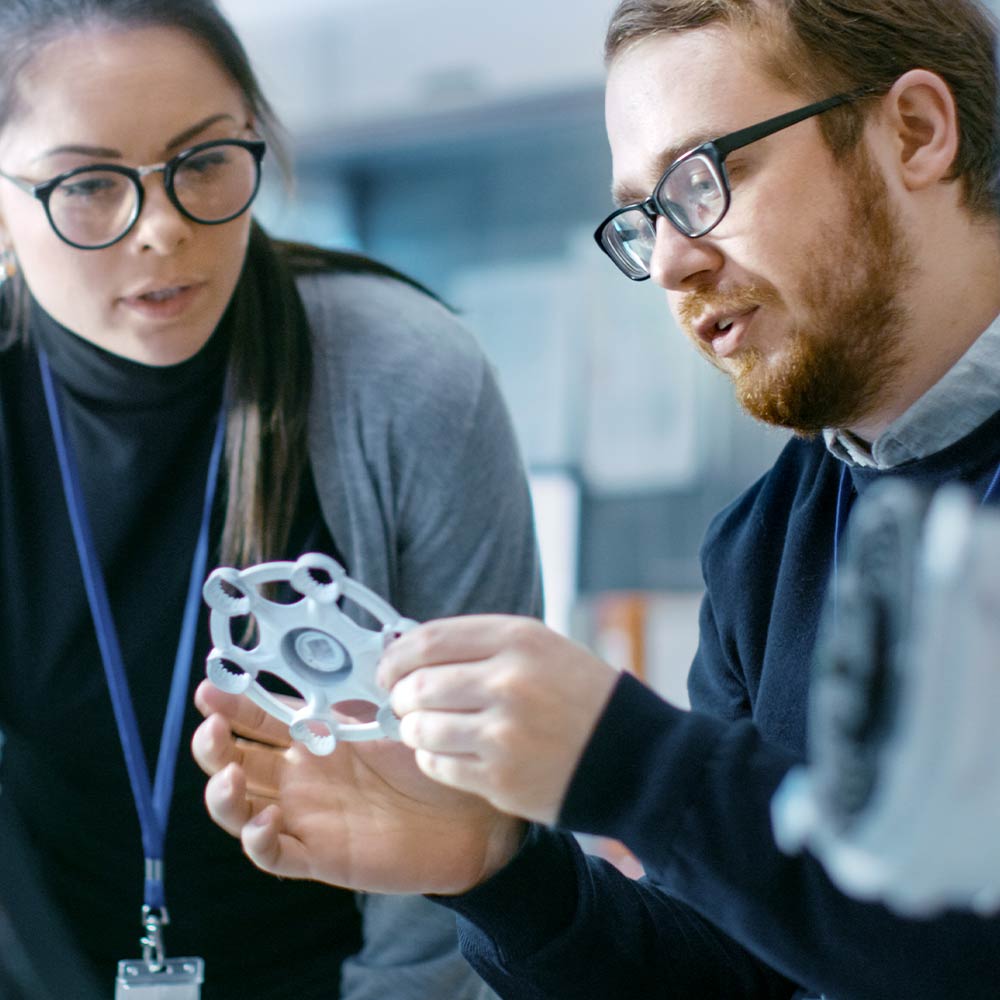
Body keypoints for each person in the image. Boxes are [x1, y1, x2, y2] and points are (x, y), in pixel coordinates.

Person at [193, 0, 1000, 997]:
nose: (669, 261)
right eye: (646, 213)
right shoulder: (759, 548)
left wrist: (637, 764)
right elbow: (730, 977)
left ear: (916, 132)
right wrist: (499, 869)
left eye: (705, 179)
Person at [0, 1, 542, 998]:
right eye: (86, 183)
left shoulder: (408, 380)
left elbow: (474, 802)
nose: (160, 229)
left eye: (204, 162)